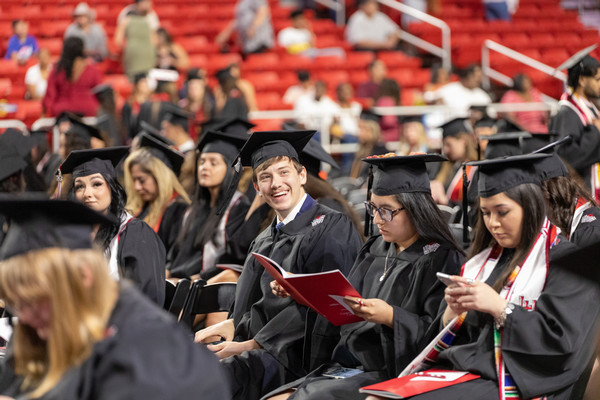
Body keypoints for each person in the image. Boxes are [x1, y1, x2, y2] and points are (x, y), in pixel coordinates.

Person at [370, 153, 600, 400]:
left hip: (523, 380)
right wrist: (451, 313)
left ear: (531, 206)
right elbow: (468, 340)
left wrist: (499, 307)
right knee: (378, 396)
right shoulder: (485, 262)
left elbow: (563, 345)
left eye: (502, 212)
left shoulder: (566, 263)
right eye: (486, 213)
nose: (493, 223)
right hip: (472, 369)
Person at [264, 154, 465, 400]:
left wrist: (391, 317)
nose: (378, 219)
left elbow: (442, 334)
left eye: (387, 211)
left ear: (415, 208)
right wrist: (303, 290)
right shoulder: (374, 249)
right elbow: (346, 303)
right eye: (373, 208)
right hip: (350, 362)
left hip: (391, 369)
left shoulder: (442, 258)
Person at [0, 198, 230, 399]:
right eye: (16, 304)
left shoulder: (154, 355)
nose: (25, 317)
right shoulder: (43, 326)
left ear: (83, 277)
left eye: (34, 300)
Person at [194, 130, 363, 400]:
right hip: (257, 347)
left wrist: (253, 343)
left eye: (284, 172)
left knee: (205, 380)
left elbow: (329, 307)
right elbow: (250, 302)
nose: (276, 183)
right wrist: (230, 326)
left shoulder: (331, 227)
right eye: (265, 177)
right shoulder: (264, 238)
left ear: (302, 176)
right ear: (257, 188)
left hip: (298, 357)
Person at [60, 147, 166, 305]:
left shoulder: (135, 233)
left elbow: (147, 299)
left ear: (112, 188)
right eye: (79, 187)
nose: (87, 193)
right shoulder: (76, 235)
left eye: (96, 184)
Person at [166, 129, 250, 282]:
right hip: (177, 282)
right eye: (202, 162)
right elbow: (176, 252)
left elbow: (233, 261)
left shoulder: (238, 208)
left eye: (214, 163)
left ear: (231, 169)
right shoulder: (192, 208)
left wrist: (190, 283)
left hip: (205, 287)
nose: (205, 167)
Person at [124, 131, 191, 254]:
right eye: (134, 180)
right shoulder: (142, 209)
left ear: (160, 177)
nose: (137, 187)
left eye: (142, 180)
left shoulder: (178, 211)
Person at [549, 46, 600, 199]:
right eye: (597, 80)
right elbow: (566, 157)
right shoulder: (567, 113)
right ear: (583, 80)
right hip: (581, 193)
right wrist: (595, 131)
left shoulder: (590, 107)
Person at [42, 37, 102, 117]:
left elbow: (49, 97)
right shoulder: (92, 71)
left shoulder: (57, 70)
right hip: (88, 112)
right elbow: (101, 93)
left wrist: (43, 114)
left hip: (62, 113)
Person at [431, 118, 478, 206]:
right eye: (444, 145)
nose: (445, 150)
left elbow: (473, 205)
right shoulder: (451, 168)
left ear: (463, 140)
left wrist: (445, 201)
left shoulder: (477, 169)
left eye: (448, 144)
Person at [114, 0, 157, 80]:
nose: (149, 5)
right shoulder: (127, 15)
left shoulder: (151, 16)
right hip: (132, 59)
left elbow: (154, 39)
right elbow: (118, 39)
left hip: (148, 59)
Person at [350, 112, 389, 179]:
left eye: (363, 129)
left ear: (372, 130)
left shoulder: (381, 153)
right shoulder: (362, 150)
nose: (359, 133)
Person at [178, 68, 216, 139]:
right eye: (191, 88)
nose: (194, 91)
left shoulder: (210, 107)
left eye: (197, 88)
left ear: (203, 88)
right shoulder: (181, 106)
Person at [121, 72, 152, 139]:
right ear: (137, 85)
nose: (146, 86)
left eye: (146, 83)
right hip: (133, 137)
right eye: (144, 83)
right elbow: (126, 125)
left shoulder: (151, 102)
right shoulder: (130, 104)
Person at [375, 78, 402, 143]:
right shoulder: (387, 101)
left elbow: (388, 121)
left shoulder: (385, 100)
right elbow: (389, 121)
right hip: (391, 134)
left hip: (388, 134)